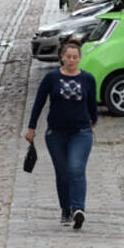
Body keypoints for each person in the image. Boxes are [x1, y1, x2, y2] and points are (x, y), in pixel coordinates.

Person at [25, 39, 97, 229]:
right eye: (68, 57)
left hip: (81, 132)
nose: (71, 60)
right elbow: (39, 103)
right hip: (55, 133)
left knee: (76, 168)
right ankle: (65, 209)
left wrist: (93, 121)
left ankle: (78, 208)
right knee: (63, 172)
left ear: (80, 59)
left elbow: (92, 104)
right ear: (62, 58)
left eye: (75, 57)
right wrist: (31, 127)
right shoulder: (52, 78)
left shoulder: (87, 79)